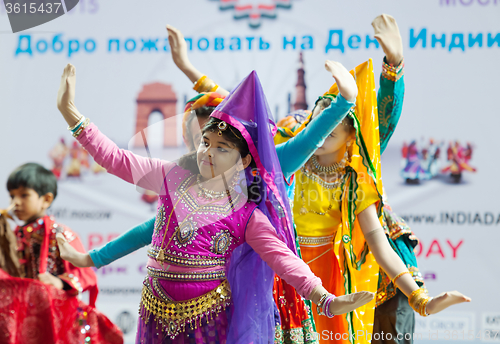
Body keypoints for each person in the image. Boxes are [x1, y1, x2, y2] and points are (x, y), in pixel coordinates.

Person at [55, 63, 375, 343]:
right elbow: (116, 160)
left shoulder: (245, 212)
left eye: (222, 148)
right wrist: (71, 113)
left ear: (243, 159)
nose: (208, 152)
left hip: (206, 322)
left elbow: (282, 259)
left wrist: (323, 299)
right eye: (206, 142)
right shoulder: (173, 175)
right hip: (153, 312)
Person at [0, 162, 123, 344]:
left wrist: (58, 282)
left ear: (46, 199)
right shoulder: (11, 238)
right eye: (12, 196)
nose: (15, 203)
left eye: (24, 195)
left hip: (54, 318)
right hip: (19, 317)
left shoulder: (60, 235)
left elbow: (85, 274)